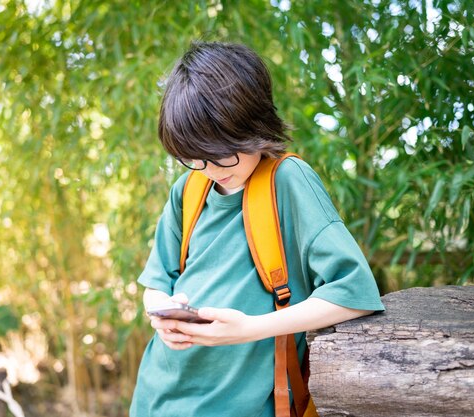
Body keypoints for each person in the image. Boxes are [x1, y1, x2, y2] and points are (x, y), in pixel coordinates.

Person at [130, 41, 385, 417]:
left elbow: (354, 294)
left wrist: (250, 329)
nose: (211, 170)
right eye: (194, 159)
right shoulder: (188, 189)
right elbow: (157, 282)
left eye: (222, 154)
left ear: (253, 123)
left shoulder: (288, 182)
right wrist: (161, 314)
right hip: (156, 396)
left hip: (239, 404)